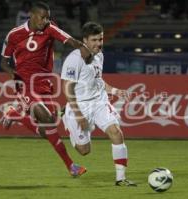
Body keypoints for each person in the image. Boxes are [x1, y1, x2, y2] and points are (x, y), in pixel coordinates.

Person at [0, 1, 92, 177]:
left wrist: (82, 47)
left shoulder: (50, 28)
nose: (45, 21)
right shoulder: (14, 34)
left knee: (47, 130)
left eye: (47, 18)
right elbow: (3, 62)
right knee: (49, 119)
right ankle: (71, 166)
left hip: (44, 83)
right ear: (32, 15)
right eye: (42, 17)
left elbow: (68, 39)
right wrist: (13, 75)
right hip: (25, 84)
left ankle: (15, 115)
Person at [61, 21, 137, 186]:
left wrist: (115, 91)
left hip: (98, 101)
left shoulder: (99, 55)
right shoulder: (74, 59)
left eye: (100, 39)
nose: (98, 44)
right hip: (79, 105)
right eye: (94, 40)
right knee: (84, 151)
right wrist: (78, 115)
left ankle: (121, 179)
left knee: (116, 132)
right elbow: (67, 88)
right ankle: (67, 119)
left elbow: (97, 80)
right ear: (85, 40)